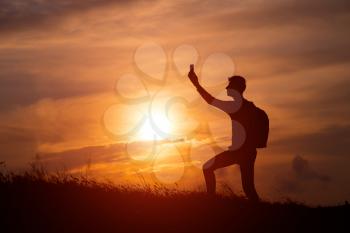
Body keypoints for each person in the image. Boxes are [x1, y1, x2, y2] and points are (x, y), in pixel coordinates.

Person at [188, 65, 268, 202]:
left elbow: (210, 100)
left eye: (229, 85)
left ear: (236, 89)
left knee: (207, 168)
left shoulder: (235, 107)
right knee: (249, 188)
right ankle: (261, 211)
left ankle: (210, 200)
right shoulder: (249, 107)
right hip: (248, 152)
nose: (226, 88)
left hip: (240, 152)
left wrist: (196, 84)